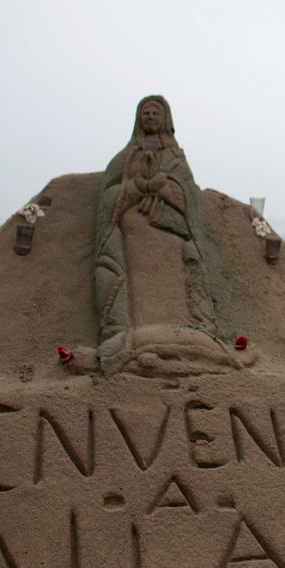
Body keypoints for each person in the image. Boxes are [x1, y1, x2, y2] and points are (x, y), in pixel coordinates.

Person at [92, 95, 230, 376]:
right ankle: (131, 335)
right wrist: (137, 187)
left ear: (166, 119)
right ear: (138, 118)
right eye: (146, 112)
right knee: (139, 298)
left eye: (156, 112)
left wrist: (164, 186)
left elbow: (188, 199)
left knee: (175, 297)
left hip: (171, 241)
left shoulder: (176, 159)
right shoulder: (124, 158)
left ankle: (181, 334)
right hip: (133, 243)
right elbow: (108, 197)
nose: (151, 117)